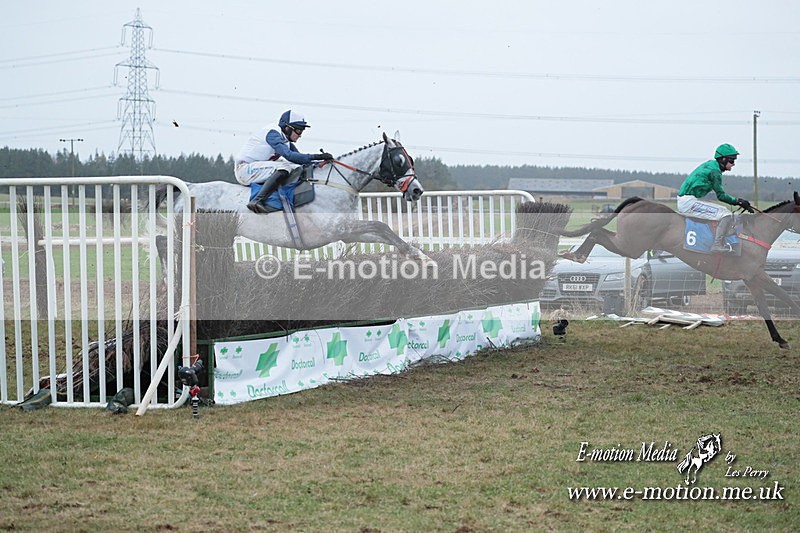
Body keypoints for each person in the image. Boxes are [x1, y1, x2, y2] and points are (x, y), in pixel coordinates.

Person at [234, 110, 333, 213]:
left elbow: (300, 160)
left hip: (258, 169)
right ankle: (257, 200)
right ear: (287, 128)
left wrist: (320, 163)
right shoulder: (272, 134)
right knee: (285, 167)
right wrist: (317, 156)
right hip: (245, 170)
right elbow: (290, 156)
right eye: (299, 131)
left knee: (295, 167)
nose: (300, 135)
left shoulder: (285, 140)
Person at [677, 143, 754, 253]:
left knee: (723, 211)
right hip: (688, 202)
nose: (733, 164)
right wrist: (738, 202)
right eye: (732, 161)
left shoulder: (712, 165)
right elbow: (721, 196)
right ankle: (716, 245)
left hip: (689, 199)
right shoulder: (715, 171)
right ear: (723, 159)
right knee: (726, 214)